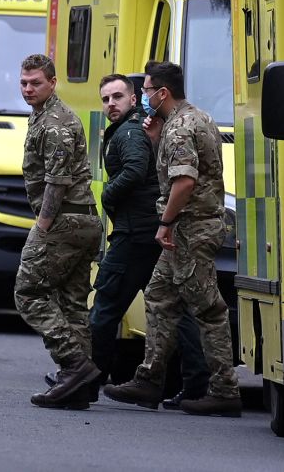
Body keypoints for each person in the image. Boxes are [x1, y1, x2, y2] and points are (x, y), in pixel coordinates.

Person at [103, 61, 241, 417]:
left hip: (190, 229)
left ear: (162, 92)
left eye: (147, 90)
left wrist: (164, 223)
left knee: (208, 309)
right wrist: (154, 138)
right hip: (190, 227)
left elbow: (184, 182)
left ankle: (224, 389)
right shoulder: (197, 117)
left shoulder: (180, 128)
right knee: (160, 296)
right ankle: (149, 379)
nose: (144, 97)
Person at [82, 73, 210, 407]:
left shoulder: (128, 132)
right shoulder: (141, 126)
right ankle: (197, 384)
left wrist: (108, 195)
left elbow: (136, 170)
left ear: (134, 96)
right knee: (173, 309)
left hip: (135, 235)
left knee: (105, 306)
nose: (111, 104)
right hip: (152, 230)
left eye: (118, 97)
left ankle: (85, 380)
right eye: (106, 99)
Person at [15, 53, 103, 410]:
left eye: (35, 82)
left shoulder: (56, 122)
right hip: (79, 221)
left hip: (64, 221)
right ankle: (78, 388)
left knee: (28, 293)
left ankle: (74, 364)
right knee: (71, 305)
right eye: (23, 82)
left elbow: (56, 182)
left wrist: (43, 227)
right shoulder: (42, 116)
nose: (27, 89)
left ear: (52, 82)